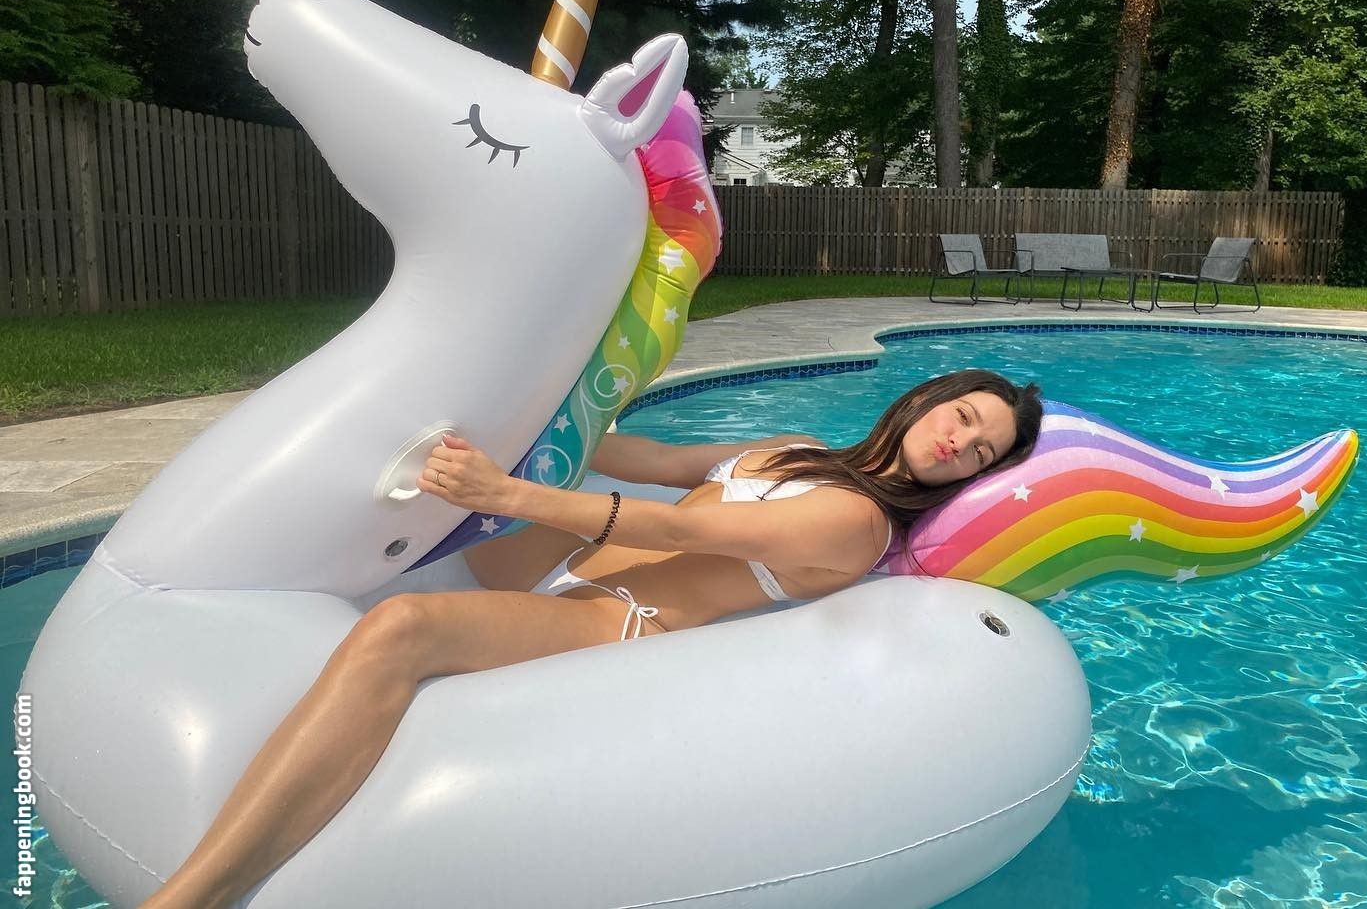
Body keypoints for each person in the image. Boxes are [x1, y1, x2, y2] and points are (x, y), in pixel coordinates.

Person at [141, 369, 1041, 908]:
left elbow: (683, 530)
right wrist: (552, 415)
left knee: (402, 626)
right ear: (931, 400)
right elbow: (655, 465)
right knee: (420, 498)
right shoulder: (798, 447)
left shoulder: (857, 523)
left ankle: (197, 894)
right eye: (964, 418)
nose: (958, 444)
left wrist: (509, 494)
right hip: (567, 560)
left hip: (615, 620)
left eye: (982, 452)